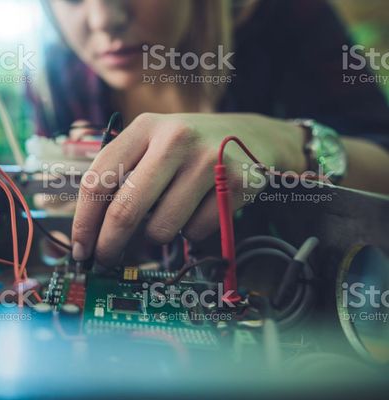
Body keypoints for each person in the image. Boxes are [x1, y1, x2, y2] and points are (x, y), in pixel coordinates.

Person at [28, 0, 389, 267]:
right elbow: (56, 226)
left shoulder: (288, 15)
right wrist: (64, 227)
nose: (105, 20)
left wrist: (286, 142)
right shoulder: (58, 73)